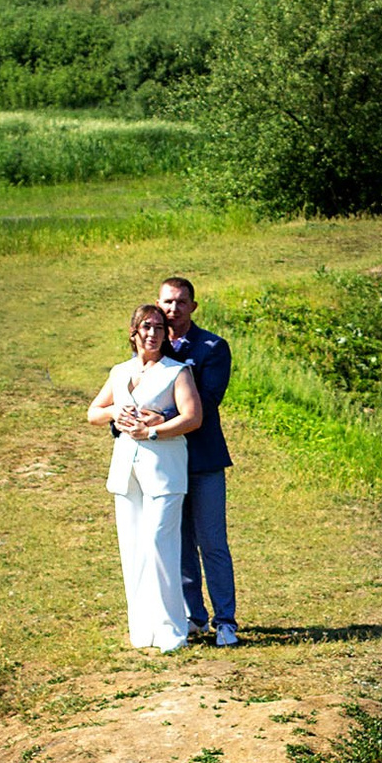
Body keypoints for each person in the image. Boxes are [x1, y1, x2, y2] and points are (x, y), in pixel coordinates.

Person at [86, 303, 204, 652]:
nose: (152, 333)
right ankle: (143, 631)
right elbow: (93, 412)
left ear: (167, 334)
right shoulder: (119, 371)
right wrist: (115, 412)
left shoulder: (177, 371)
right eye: (145, 327)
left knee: (158, 544)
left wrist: (154, 430)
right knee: (133, 549)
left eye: (158, 327)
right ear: (134, 333)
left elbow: (192, 417)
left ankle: (171, 631)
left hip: (164, 469)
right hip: (126, 471)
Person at [158, 276, 238, 647]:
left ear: (193, 306)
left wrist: (160, 419)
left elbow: (206, 402)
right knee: (180, 543)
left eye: (180, 302)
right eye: (167, 302)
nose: (173, 309)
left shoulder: (212, 347)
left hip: (203, 459)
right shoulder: (151, 346)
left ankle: (226, 620)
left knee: (211, 541)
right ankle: (195, 616)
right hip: (164, 461)